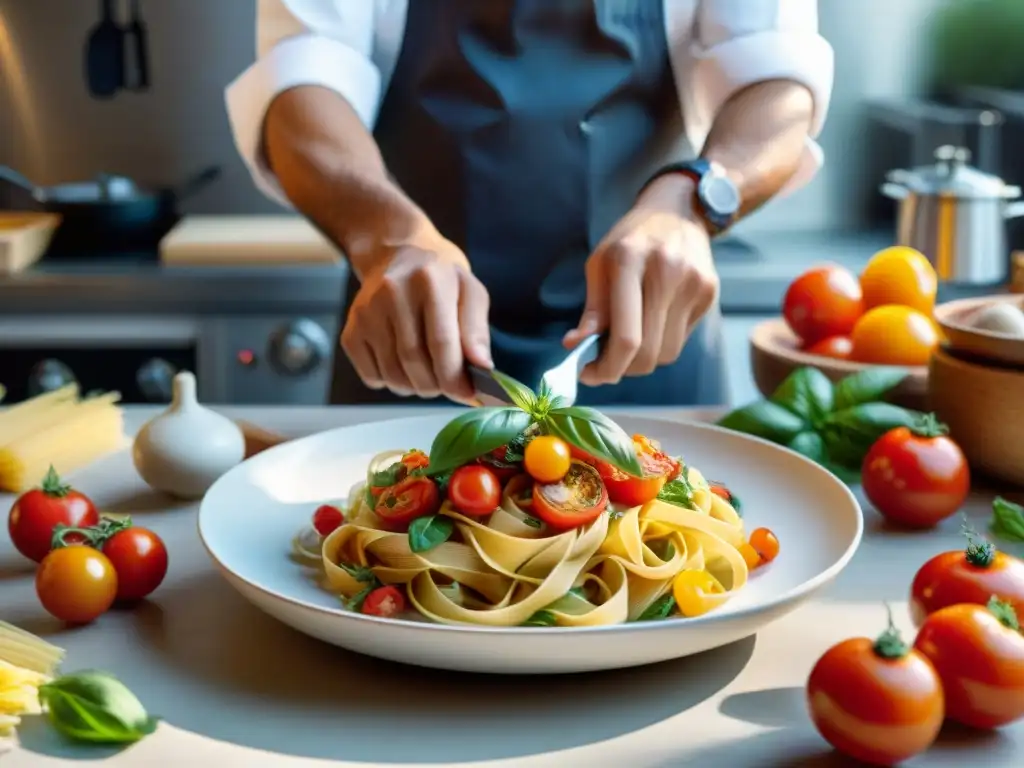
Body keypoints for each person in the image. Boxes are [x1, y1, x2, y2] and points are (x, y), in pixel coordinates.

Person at [226, 0, 833, 406]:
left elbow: (776, 75)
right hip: (409, 333)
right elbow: (303, 76)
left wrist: (693, 200)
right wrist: (388, 238)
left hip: (652, 337)